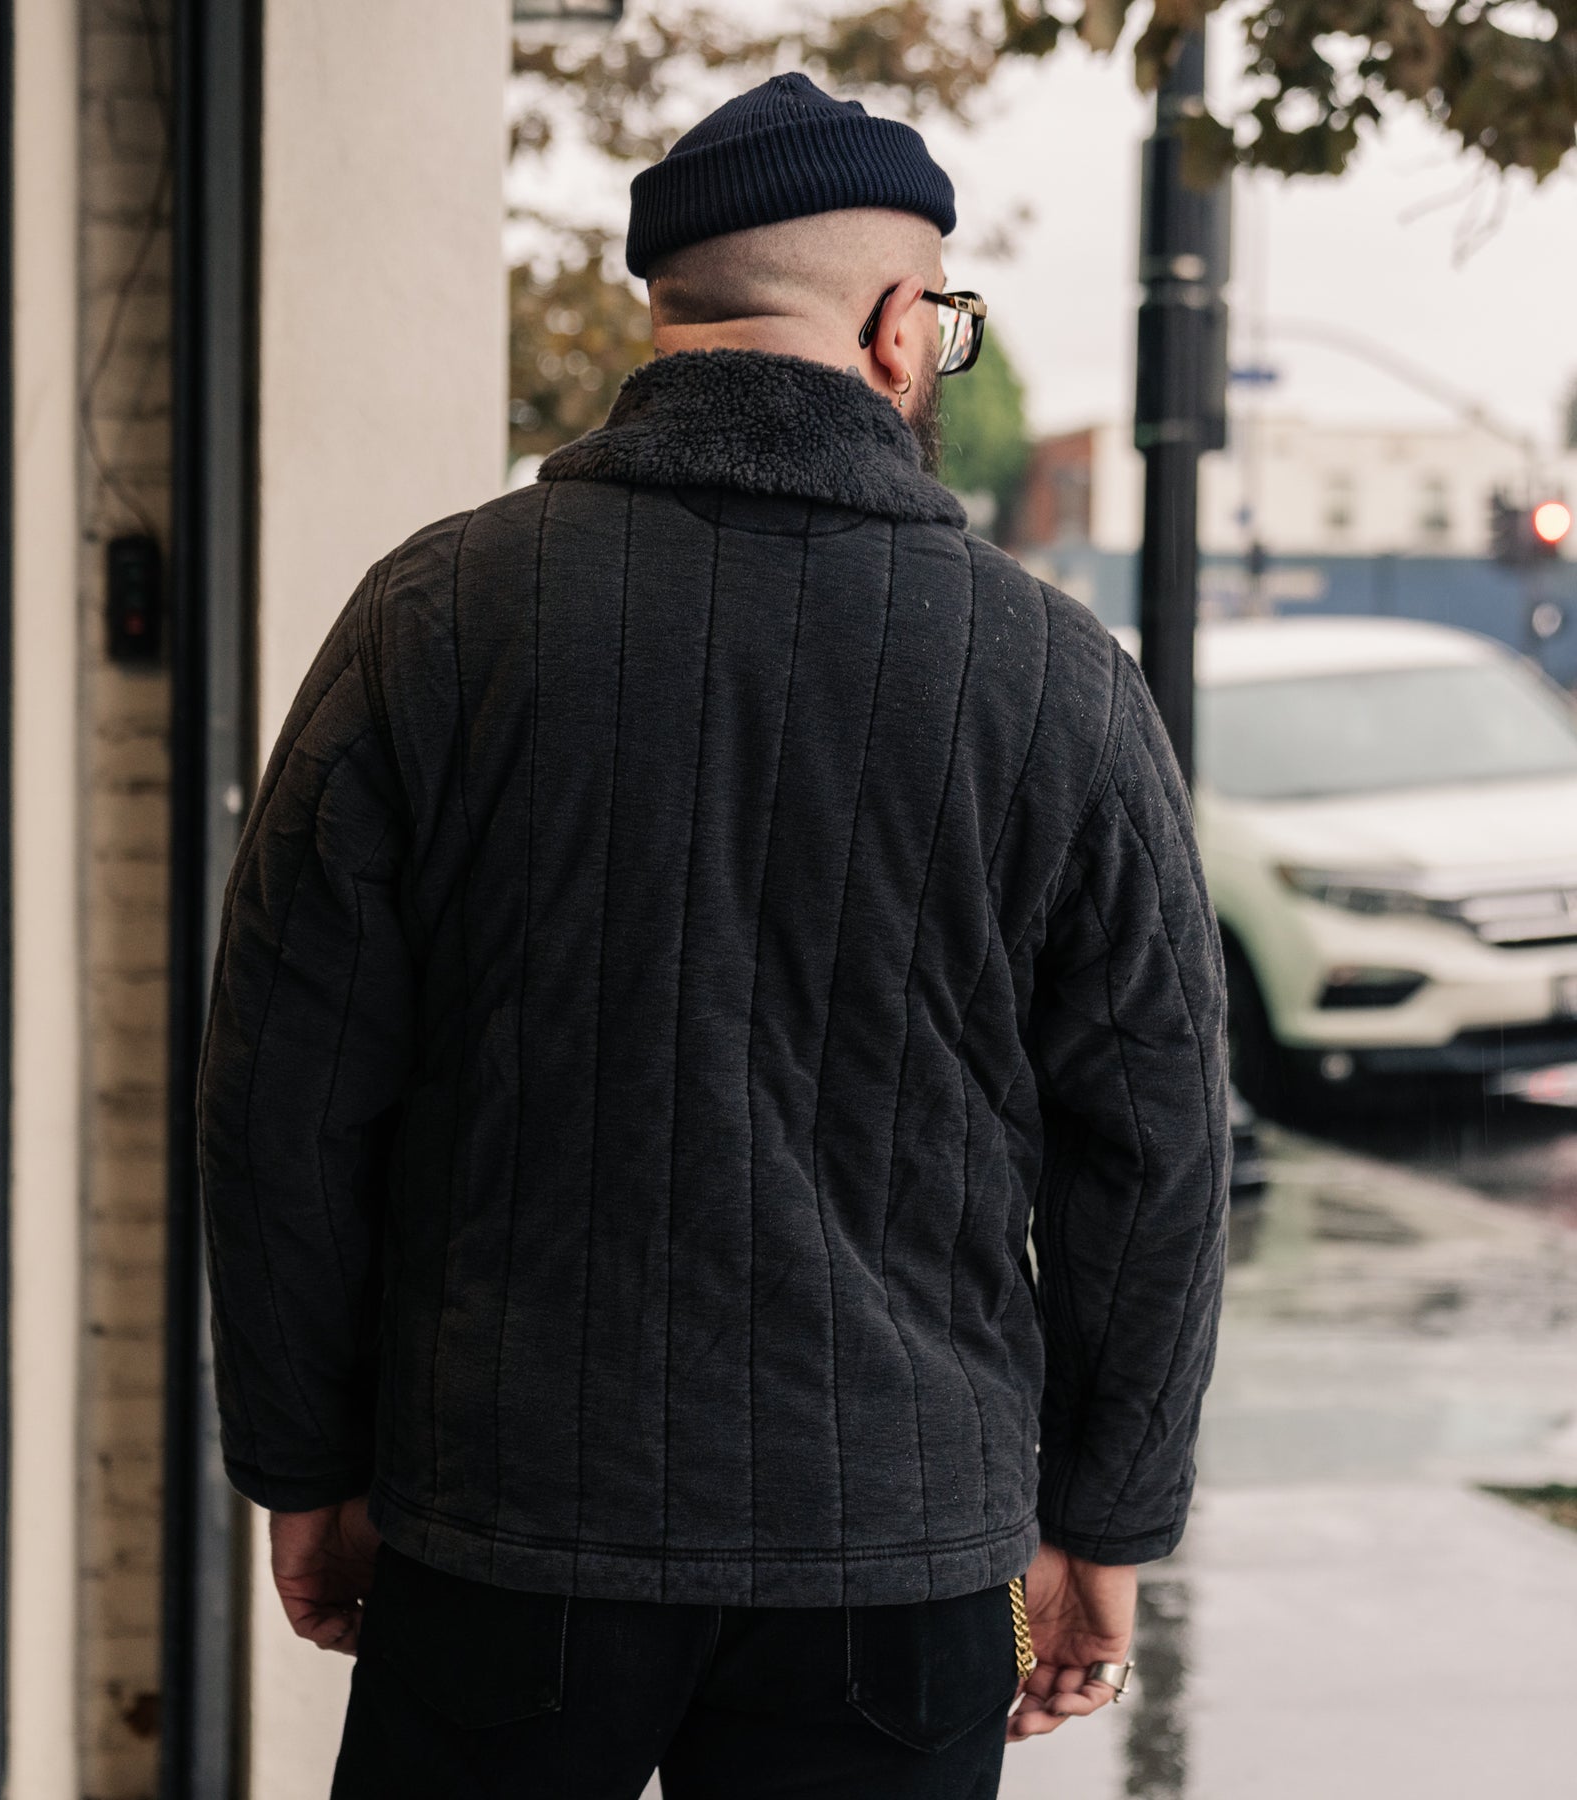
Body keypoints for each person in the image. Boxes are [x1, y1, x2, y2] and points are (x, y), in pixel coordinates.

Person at [199, 70, 1228, 1799]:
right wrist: (1103, 1515)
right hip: (896, 1551)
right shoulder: (1053, 679)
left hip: (504, 1522)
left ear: (664, 310)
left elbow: (284, 1093)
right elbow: (1153, 1143)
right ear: (903, 330)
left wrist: (308, 1461)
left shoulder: (439, 619)